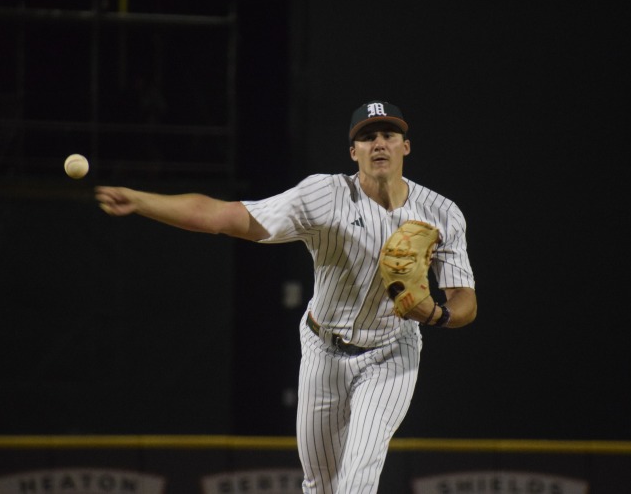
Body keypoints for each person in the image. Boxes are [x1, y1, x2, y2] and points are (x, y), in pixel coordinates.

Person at [95, 100, 477, 493]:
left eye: (388, 135)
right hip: (323, 348)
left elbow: (465, 299)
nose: (378, 144)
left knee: (359, 476)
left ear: (405, 146)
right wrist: (142, 201)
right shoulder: (324, 195)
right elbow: (224, 217)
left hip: (391, 353)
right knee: (320, 484)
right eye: (366, 137)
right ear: (353, 152)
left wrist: (437, 315)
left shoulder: (441, 212)